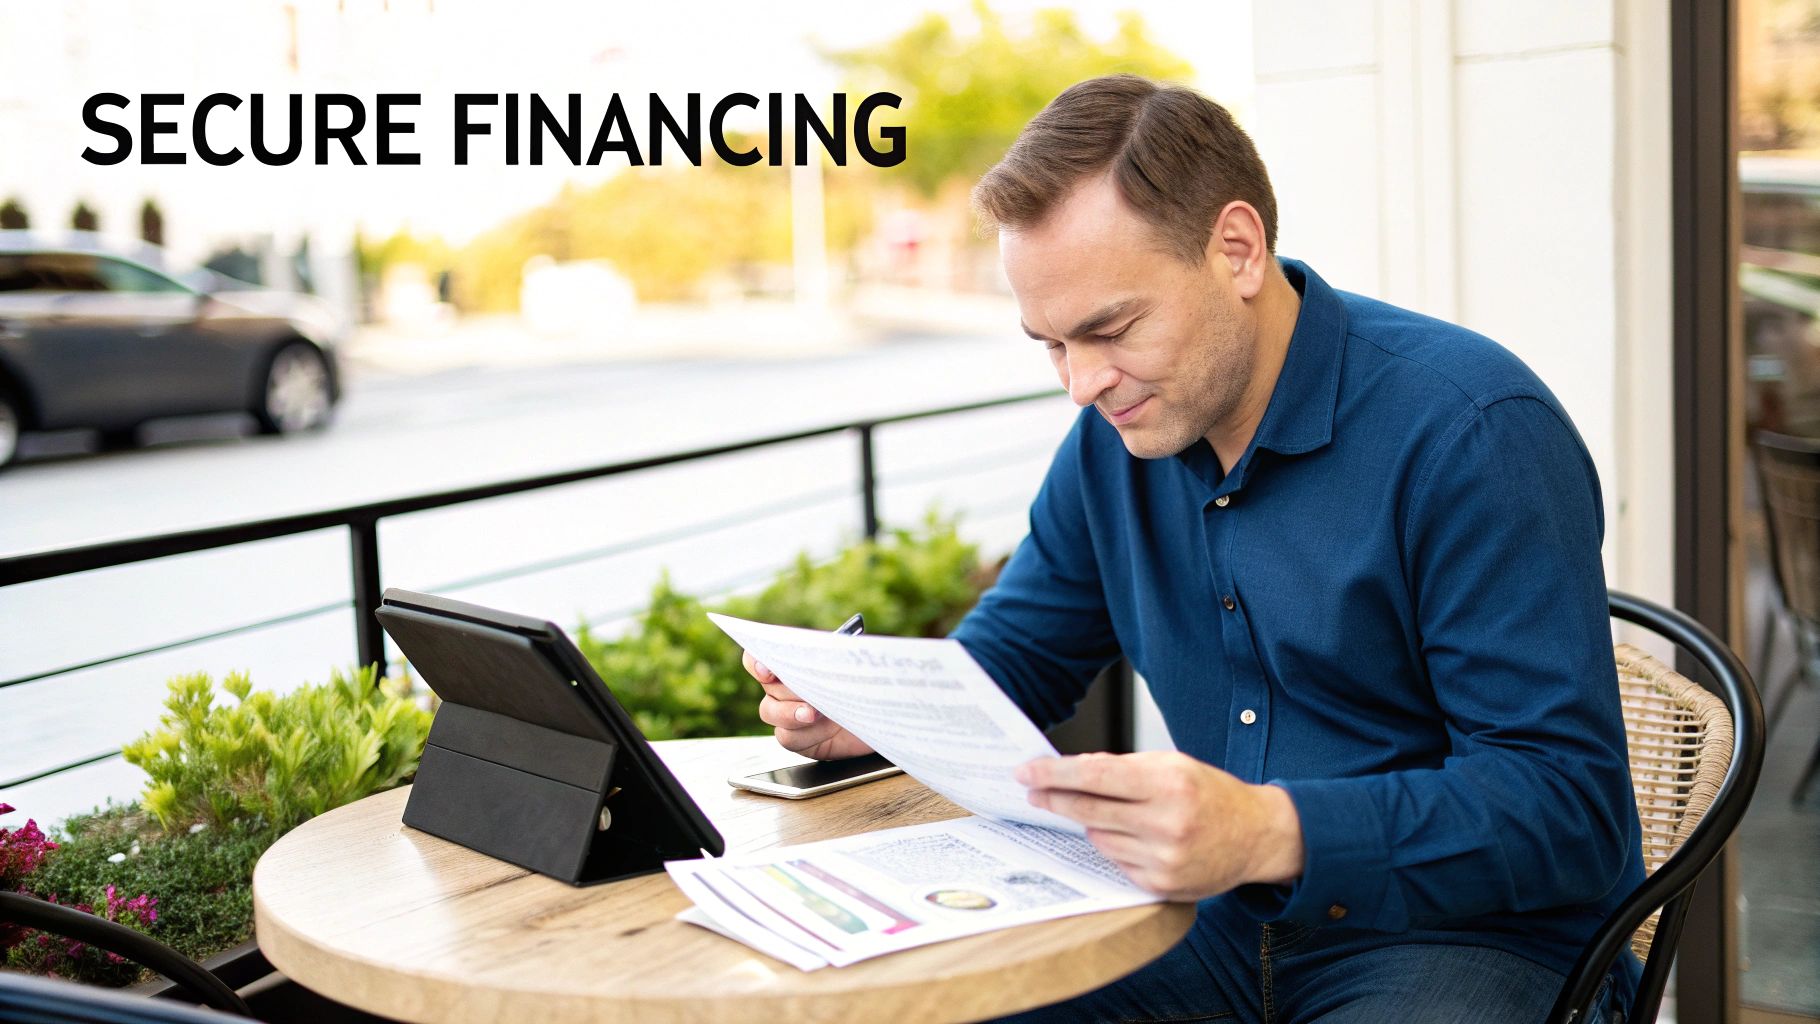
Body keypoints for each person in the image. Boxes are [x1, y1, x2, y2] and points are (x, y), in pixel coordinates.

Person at [743, 74, 1643, 1023]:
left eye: (1111, 329)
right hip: (1204, 923)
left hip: (1466, 940)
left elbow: (1566, 808)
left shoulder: (1473, 431)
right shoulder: (1116, 438)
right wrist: (873, 712)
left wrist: (1267, 831)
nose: (1082, 384)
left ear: (1238, 250)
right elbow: (1018, 659)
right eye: (1050, 344)